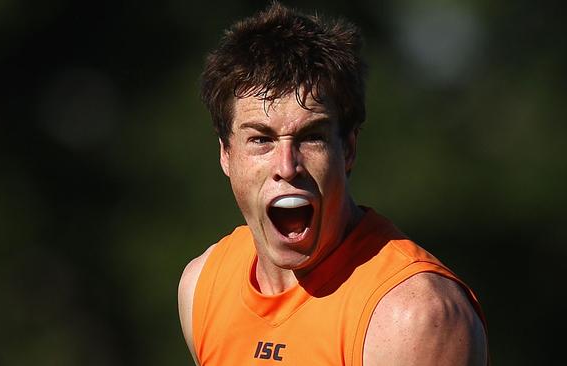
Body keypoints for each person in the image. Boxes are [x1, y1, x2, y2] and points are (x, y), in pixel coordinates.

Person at [178, 2, 488, 365]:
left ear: (349, 148)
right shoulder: (202, 287)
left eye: (311, 137)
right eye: (261, 139)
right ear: (226, 154)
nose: (287, 166)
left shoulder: (414, 317)